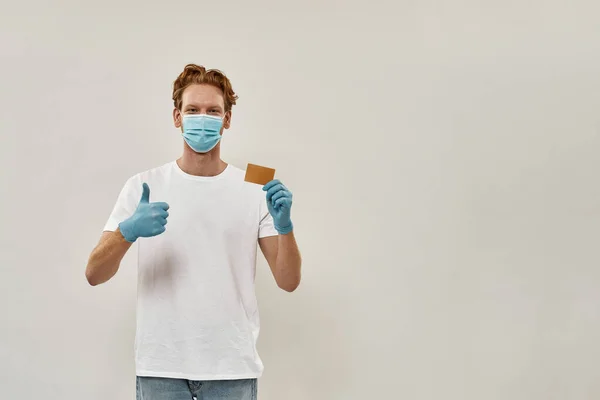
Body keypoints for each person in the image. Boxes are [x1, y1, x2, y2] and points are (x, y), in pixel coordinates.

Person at [85, 64, 302, 400]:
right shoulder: (144, 185)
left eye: (213, 111)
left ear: (227, 119)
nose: (203, 118)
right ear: (177, 117)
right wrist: (126, 232)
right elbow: (94, 273)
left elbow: (288, 281)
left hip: (232, 367)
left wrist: (285, 226)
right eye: (193, 110)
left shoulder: (254, 185)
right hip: (161, 367)